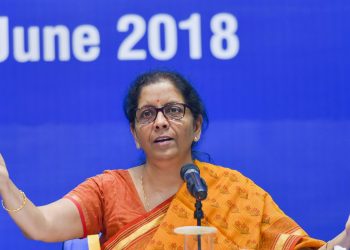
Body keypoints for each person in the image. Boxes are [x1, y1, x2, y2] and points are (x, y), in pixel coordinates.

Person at [0, 71, 349, 250]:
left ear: (196, 126)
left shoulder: (236, 191)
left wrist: (343, 242)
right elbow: (41, 225)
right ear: (136, 134)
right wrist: (4, 183)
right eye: (147, 114)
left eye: (173, 110)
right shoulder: (108, 189)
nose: (161, 121)